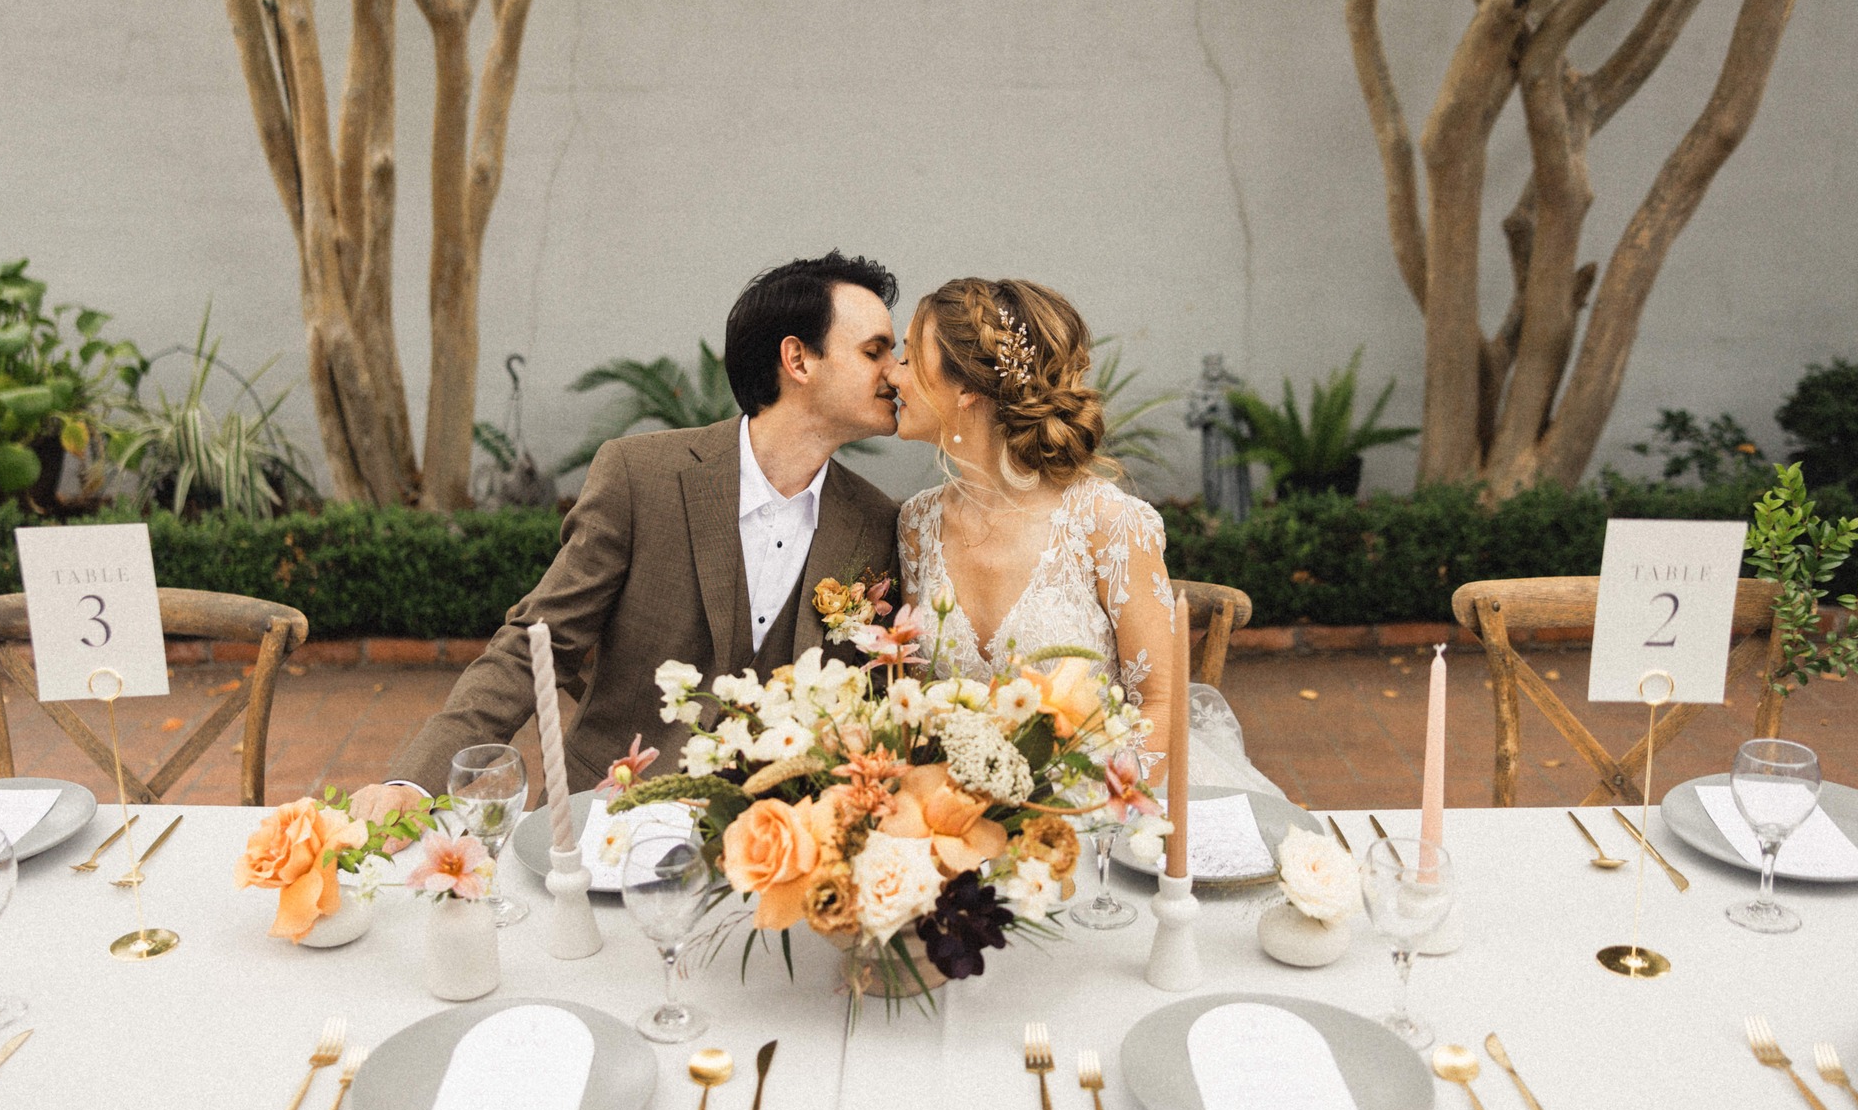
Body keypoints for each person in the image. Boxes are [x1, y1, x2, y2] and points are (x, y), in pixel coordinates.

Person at [354, 252, 904, 818]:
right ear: (798, 359)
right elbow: (537, 643)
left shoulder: (876, 521)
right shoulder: (641, 477)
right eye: (874, 351)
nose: (896, 371)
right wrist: (414, 785)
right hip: (608, 819)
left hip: (782, 839)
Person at [886, 276, 1277, 794]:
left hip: (1103, 814)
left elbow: (1161, 707)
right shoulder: (917, 525)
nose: (893, 374)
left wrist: (1083, 817)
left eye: (910, 357)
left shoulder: (1108, 525)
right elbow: (918, 703)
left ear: (968, 391)